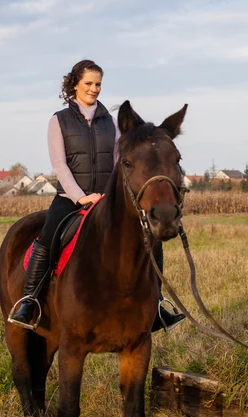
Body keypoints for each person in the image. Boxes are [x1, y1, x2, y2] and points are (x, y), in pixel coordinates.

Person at [10, 59, 184, 332]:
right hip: (70, 197)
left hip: (106, 198)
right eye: (89, 83)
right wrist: (80, 197)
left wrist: (110, 195)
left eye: (98, 84)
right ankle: (29, 299)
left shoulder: (111, 122)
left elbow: (120, 161)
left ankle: (157, 304)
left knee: (150, 238)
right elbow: (60, 165)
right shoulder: (59, 120)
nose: (94, 89)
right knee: (49, 235)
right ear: (75, 84)